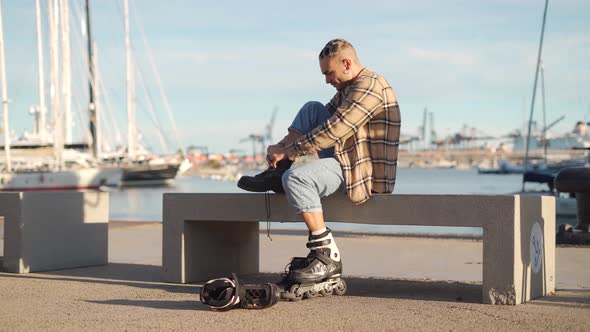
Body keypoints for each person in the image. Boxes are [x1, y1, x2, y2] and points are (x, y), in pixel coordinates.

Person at [239, 38, 401, 284]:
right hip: (347, 159)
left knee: (297, 179)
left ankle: (326, 254)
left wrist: (290, 151)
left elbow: (333, 130)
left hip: (362, 172)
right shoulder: (347, 88)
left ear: (346, 63)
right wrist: (281, 148)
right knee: (312, 108)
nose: (327, 80)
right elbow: (317, 122)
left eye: (329, 73)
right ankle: (276, 172)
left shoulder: (369, 87)